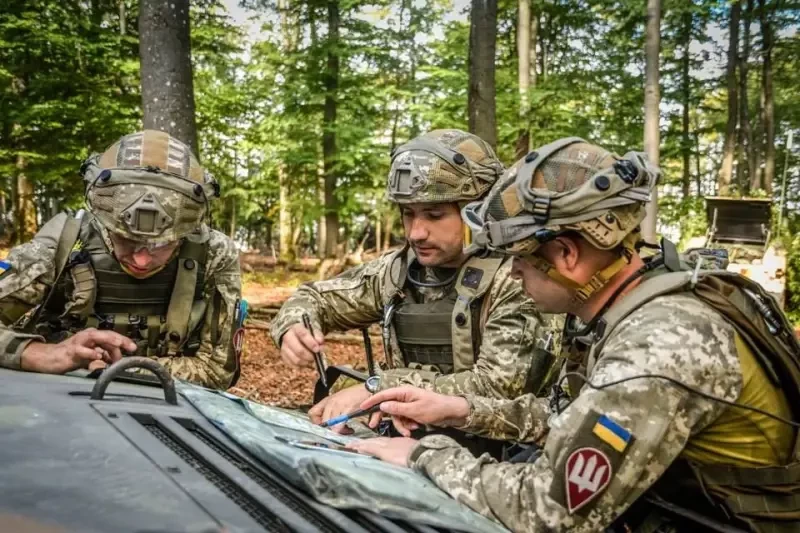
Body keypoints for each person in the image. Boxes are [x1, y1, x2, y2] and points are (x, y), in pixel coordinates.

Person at [348, 137, 800, 532]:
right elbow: (573, 418)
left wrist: (422, 455)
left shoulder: (661, 343)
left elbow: (550, 510)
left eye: (519, 258)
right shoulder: (639, 302)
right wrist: (460, 410)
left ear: (565, 253)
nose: (514, 271)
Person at [271, 129, 561, 436]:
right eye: (408, 214)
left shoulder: (519, 276)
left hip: (495, 464)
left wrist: (381, 388)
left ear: (478, 210)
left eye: (434, 215)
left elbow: (498, 390)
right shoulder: (399, 271)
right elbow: (316, 298)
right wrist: (294, 325)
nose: (416, 233)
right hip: (406, 444)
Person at [0, 130, 243, 389]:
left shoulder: (213, 252)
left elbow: (217, 371)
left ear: (186, 232)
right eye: (125, 240)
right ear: (104, 223)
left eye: (160, 244)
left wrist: (119, 370)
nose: (140, 260)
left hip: (170, 405)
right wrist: (40, 353)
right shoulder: (64, 242)